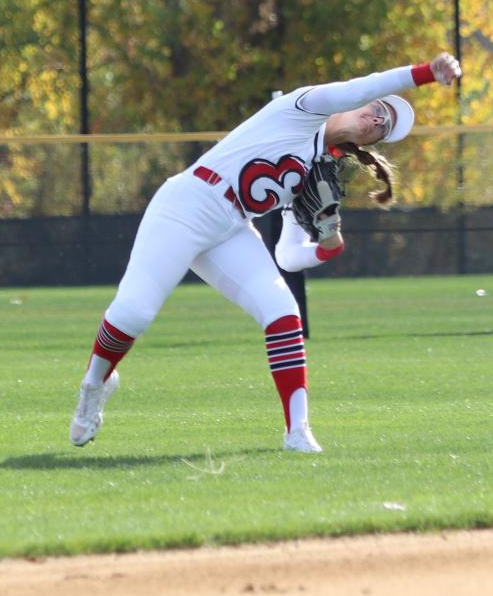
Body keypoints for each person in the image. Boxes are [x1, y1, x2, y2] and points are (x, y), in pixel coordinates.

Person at [70, 52, 463, 454]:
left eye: (384, 129)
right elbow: (362, 86)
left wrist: (329, 247)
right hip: (188, 203)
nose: (378, 120)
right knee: (135, 312)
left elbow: (289, 256)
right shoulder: (305, 106)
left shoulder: (316, 170)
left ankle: (298, 433)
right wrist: (425, 75)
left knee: (283, 311)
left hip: (232, 227)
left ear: (369, 144)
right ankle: (94, 383)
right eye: (379, 110)